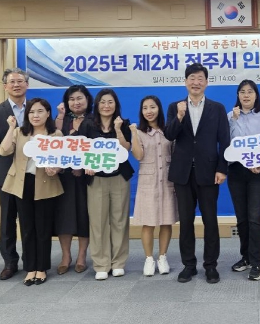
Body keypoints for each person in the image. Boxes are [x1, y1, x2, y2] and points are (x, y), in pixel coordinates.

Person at [164, 63, 230, 284]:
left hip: (209, 172)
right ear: (185, 82)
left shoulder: (217, 108)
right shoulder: (175, 107)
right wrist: (179, 117)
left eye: (200, 78)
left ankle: (211, 266)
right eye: (192, 78)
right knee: (186, 221)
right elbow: (169, 135)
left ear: (206, 83)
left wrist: (222, 168)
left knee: (210, 220)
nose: (196, 82)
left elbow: (225, 140)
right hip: (182, 173)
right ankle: (189, 265)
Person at [0, 98, 63, 286]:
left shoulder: (56, 134)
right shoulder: (19, 132)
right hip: (21, 184)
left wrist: (56, 169)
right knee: (26, 228)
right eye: (32, 112)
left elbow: (62, 160)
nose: (35, 115)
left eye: (40, 111)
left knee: (43, 229)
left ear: (48, 114)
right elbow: (3, 151)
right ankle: (30, 268)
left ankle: (41, 268)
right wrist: (11, 127)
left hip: (45, 184)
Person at [84, 89, 135, 280]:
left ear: (116, 105)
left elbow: (126, 148)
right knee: (98, 222)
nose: (106, 106)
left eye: (110, 102)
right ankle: (101, 264)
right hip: (96, 178)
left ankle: (118, 262)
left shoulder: (124, 123)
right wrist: (87, 163)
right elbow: (81, 149)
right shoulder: (88, 124)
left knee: (119, 220)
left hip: (119, 177)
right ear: (97, 105)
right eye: (103, 102)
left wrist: (118, 129)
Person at [227, 80, 260, 281]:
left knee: (255, 217)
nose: (246, 95)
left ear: (256, 95)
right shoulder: (230, 116)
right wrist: (234, 120)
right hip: (236, 170)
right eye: (242, 92)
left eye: (250, 92)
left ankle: (256, 262)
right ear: (238, 95)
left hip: (258, 172)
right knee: (242, 218)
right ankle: (245, 257)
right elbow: (228, 143)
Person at [0, 68, 28, 280]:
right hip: (6, 174)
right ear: (5, 86)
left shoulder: (36, 108)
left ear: (27, 84)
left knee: (29, 220)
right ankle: (10, 262)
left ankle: (31, 260)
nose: (16, 85)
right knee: (7, 221)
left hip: (31, 173)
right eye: (12, 82)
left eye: (20, 81)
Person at [130, 95, 178, 277]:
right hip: (148, 183)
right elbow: (138, 155)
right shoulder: (139, 132)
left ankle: (162, 257)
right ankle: (149, 259)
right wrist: (134, 134)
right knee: (148, 223)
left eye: (152, 107)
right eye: (145, 108)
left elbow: (175, 153)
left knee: (166, 220)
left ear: (159, 109)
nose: (149, 111)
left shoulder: (168, 131)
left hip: (167, 181)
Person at [53, 85, 93, 274]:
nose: (76, 102)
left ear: (87, 99)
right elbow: (54, 142)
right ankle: (66, 256)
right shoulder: (63, 119)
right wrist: (60, 116)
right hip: (64, 176)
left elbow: (97, 148)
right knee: (64, 217)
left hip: (87, 177)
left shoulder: (94, 119)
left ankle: (82, 255)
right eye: (72, 99)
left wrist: (81, 165)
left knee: (84, 216)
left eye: (79, 98)